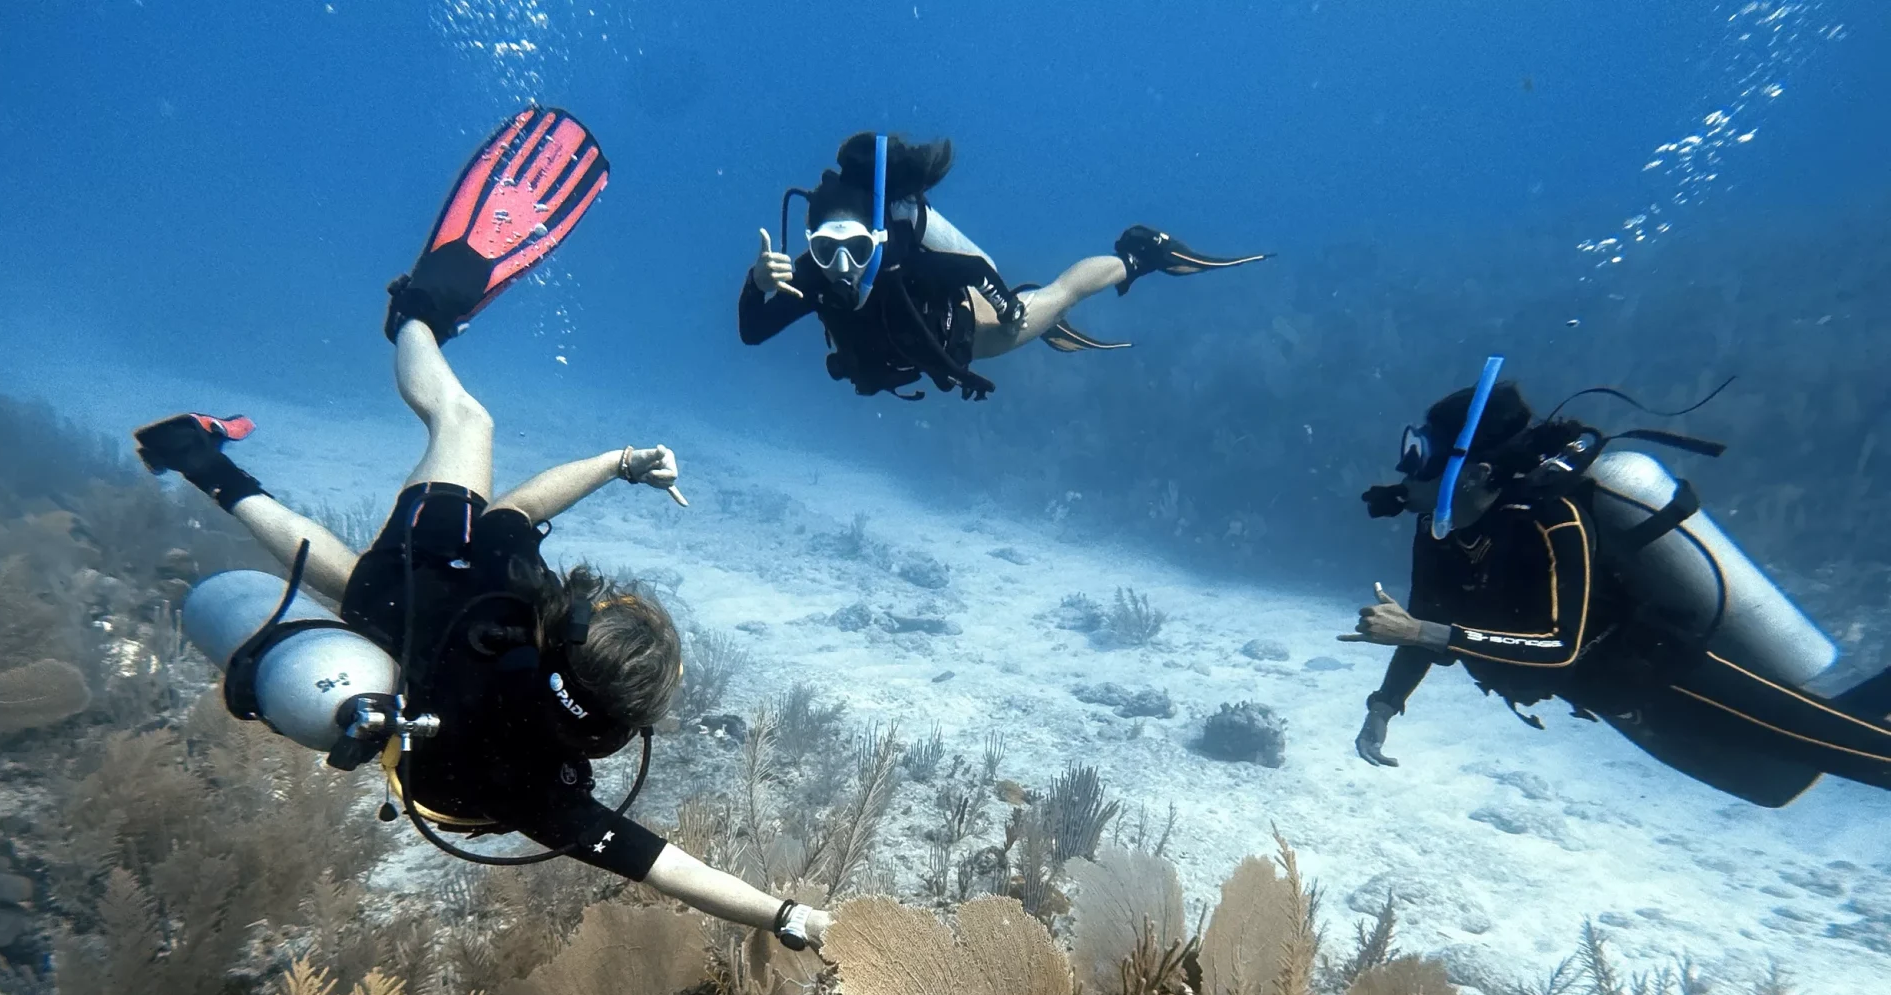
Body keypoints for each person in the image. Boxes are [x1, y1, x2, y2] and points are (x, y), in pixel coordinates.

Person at [134, 106, 829, 950]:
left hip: (430, 578)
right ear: (614, 728)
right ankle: (205, 464)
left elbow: (525, 506)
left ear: (568, 630)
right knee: (348, 582)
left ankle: (415, 313)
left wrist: (617, 461)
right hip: (398, 652)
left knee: (464, 422)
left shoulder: (512, 591)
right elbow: (669, 867)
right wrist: (782, 916)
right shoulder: (537, 791)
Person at [1340, 372, 1891, 807]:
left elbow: (1560, 646)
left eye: (1420, 460)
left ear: (1479, 472)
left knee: (1869, 757)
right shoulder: (1438, 531)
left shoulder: (1551, 519)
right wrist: (1385, 705)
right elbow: (1425, 620)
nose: (1402, 475)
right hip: (1615, 697)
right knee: (1774, 785)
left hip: (1673, 675)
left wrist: (1424, 632)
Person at [739, 132, 1266, 400]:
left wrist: (1009, 308)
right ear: (811, 245)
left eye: (855, 248)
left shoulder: (897, 261)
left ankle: (1138, 253)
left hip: (971, 329)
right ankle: (1044, 307)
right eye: (827, 252)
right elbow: (751, 332)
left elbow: (972, 272)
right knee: (1039, 307)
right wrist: (755, 282)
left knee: (1058, 297)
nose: (843, 267)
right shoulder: (808, 278)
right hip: (924, 346)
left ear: (875, 236)